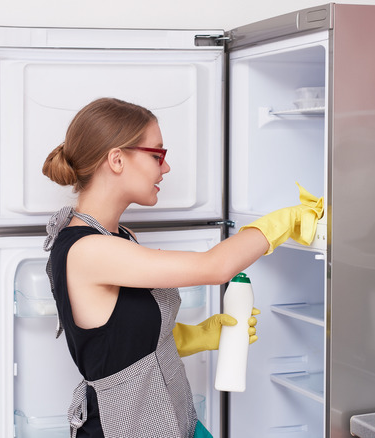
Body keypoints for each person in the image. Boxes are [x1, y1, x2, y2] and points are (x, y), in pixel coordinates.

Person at [42, 97, 323, 438]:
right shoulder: (89, 250)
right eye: (157, 155)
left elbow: (121, 339)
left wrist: (196, 336)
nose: (166, 168)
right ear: (117, 159)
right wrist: (284, 221)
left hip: (170, 421)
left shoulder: (118, 237)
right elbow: (215, 267)